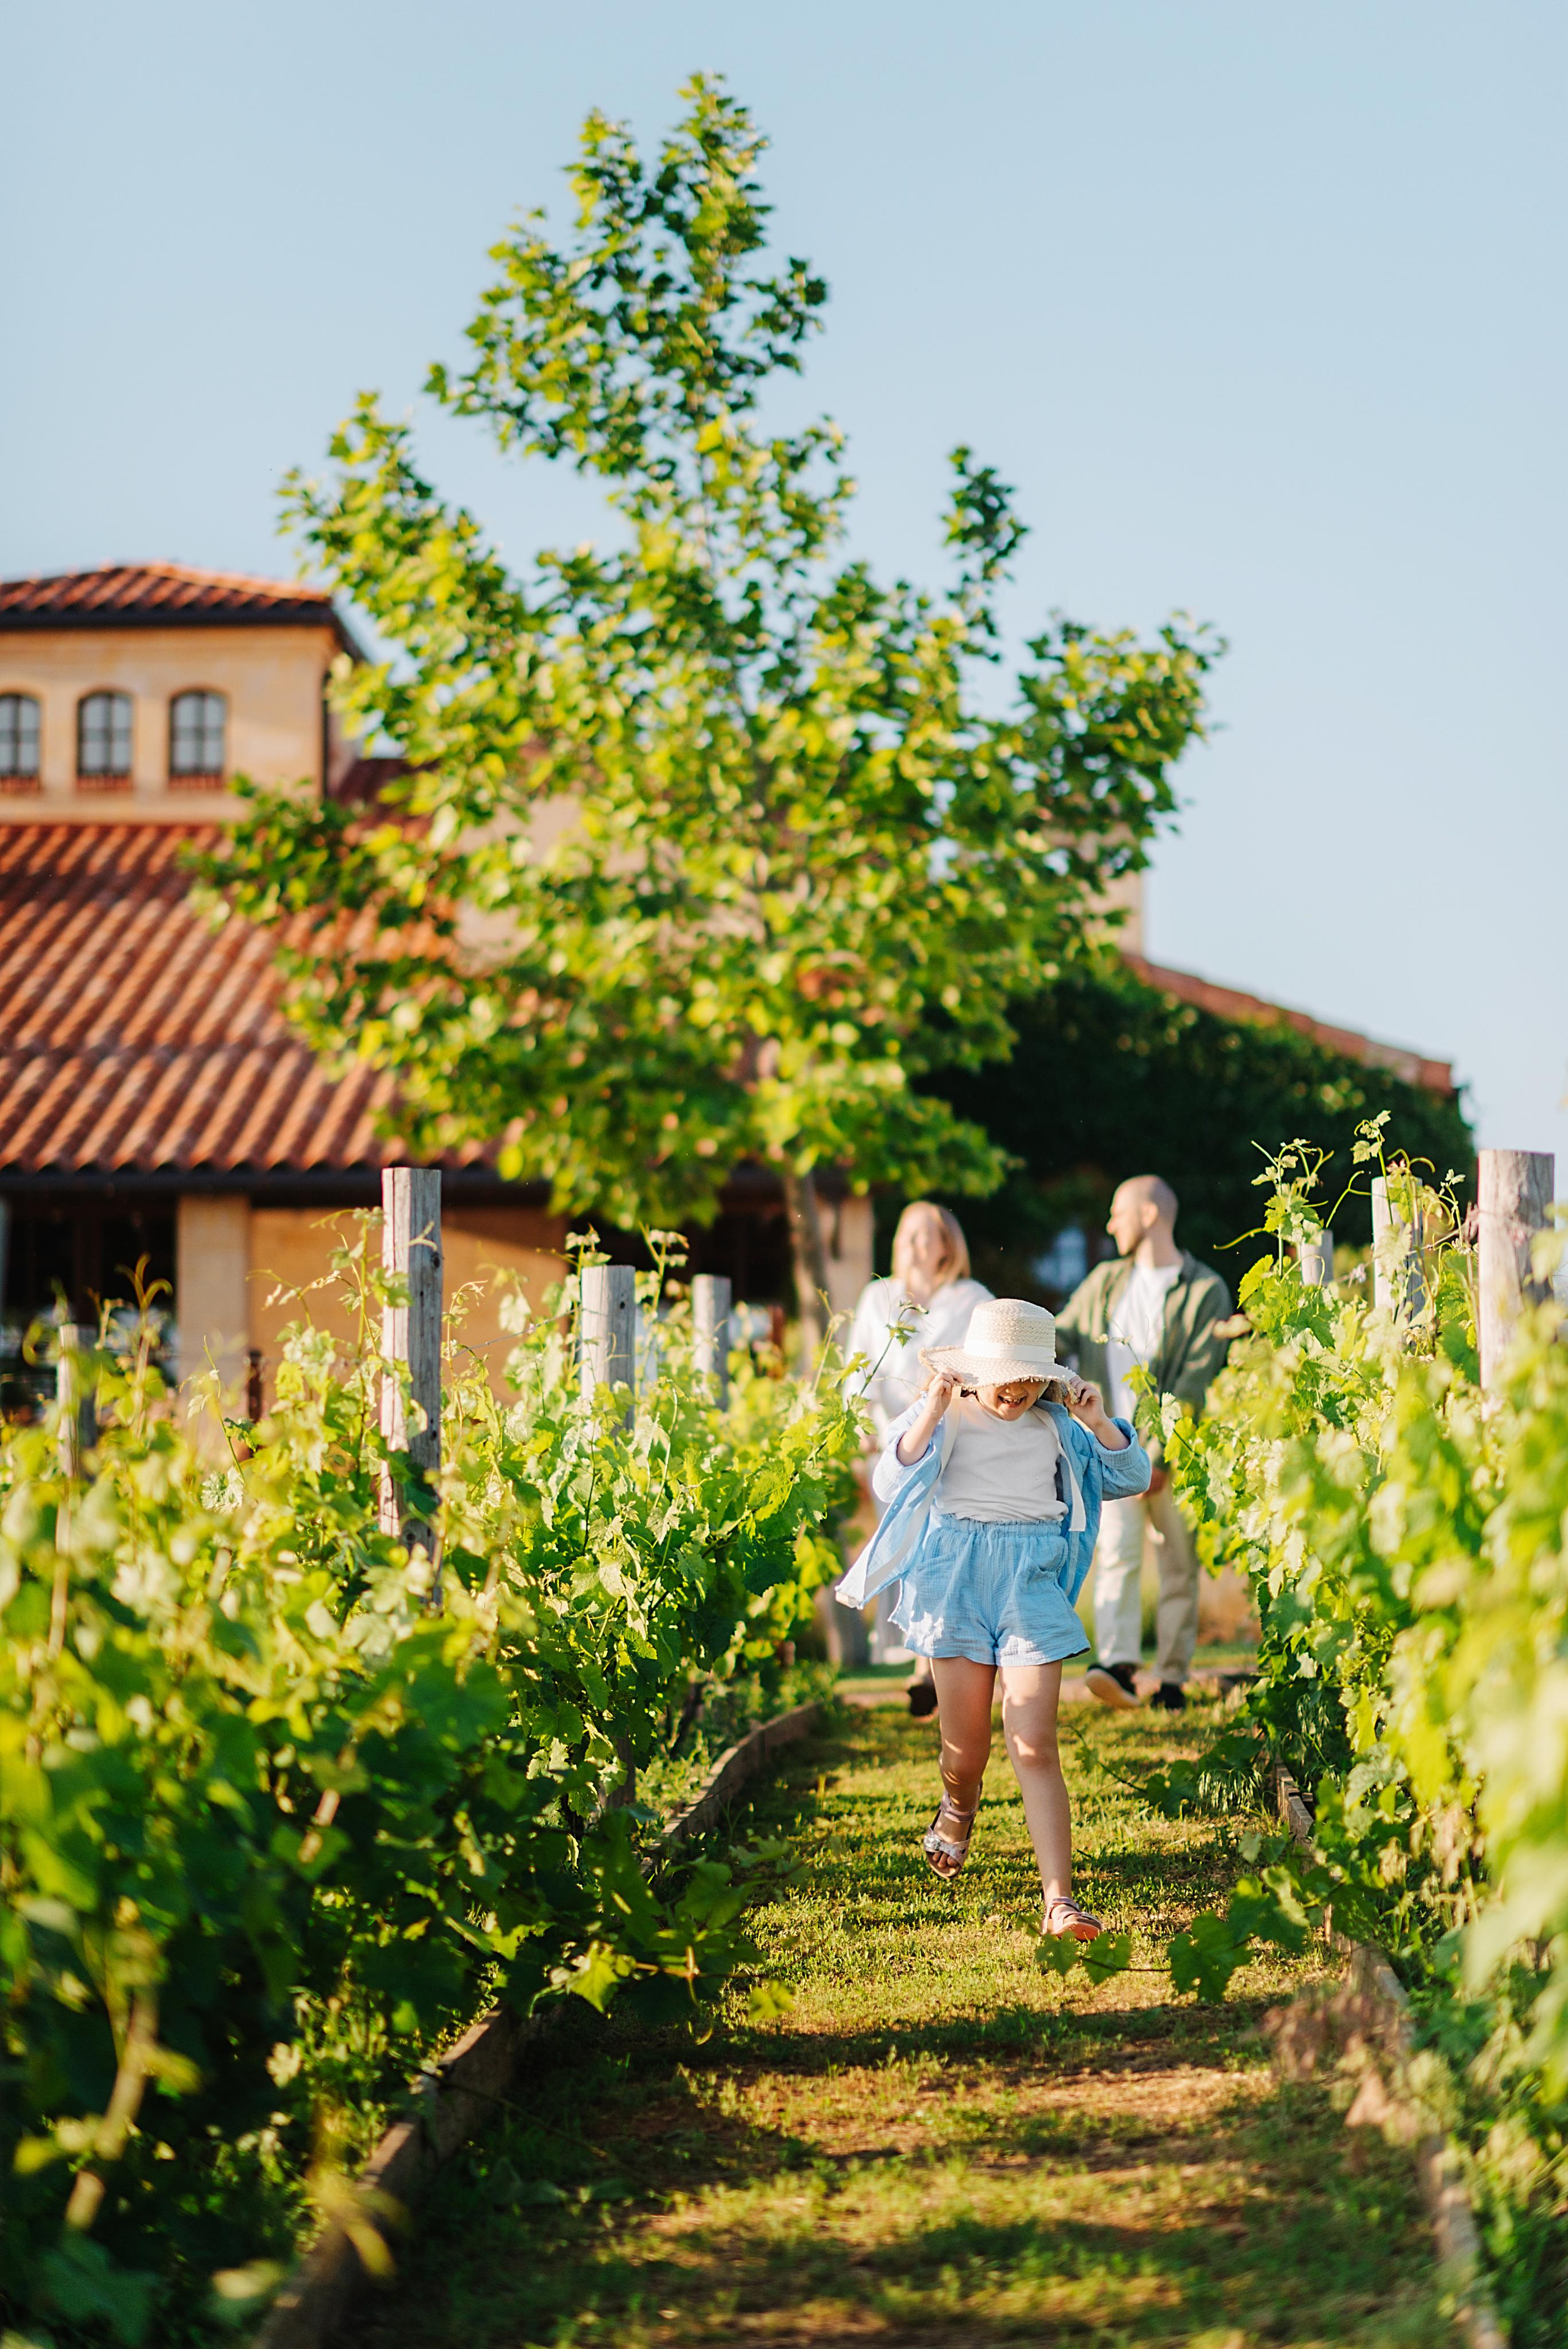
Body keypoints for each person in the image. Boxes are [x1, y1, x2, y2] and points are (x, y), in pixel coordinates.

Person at [835, 1297, 1150, 1939]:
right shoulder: (946, 1416)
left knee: (1034, 1742)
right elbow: (891, 1480)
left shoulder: (1059, 1427)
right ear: (975, 1371)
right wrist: (929, 1407)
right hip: (953, 1579)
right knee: (966, 1749)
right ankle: (959, 1803)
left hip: (1030, 1582)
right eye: (1005, 1373)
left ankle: (1058, 1900)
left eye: (1032, 1375)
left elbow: (1132, 1475)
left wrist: (1097, 1422)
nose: (1018, 1387)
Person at [1054, 1176, 1232, 1714]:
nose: (1111, 1224)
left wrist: (1156, 1454)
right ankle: (1120, 1665)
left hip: (1174, 1452)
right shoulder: (1106, 1281)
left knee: (1177, 1562)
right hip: (1110, 1446)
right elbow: (1064, 1333)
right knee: (1117, 1554)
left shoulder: (1205, 1290)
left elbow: (1198, 1379)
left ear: (1151, 1213)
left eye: (1119, 1212)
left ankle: (1173, 1678)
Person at [843, 1203, 991, 1707]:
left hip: (953, 1442)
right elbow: (857, 1370)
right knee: (904, 1547)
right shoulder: (879, 1297)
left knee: (936, 1545)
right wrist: (861, 1425)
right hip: (896, 1445)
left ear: (948, 1245)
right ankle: (918, 1654)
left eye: (926, 1236)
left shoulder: (972, 1299)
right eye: (906, 1235)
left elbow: (993, 1362)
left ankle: (925, 1667)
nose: (914, 1245)